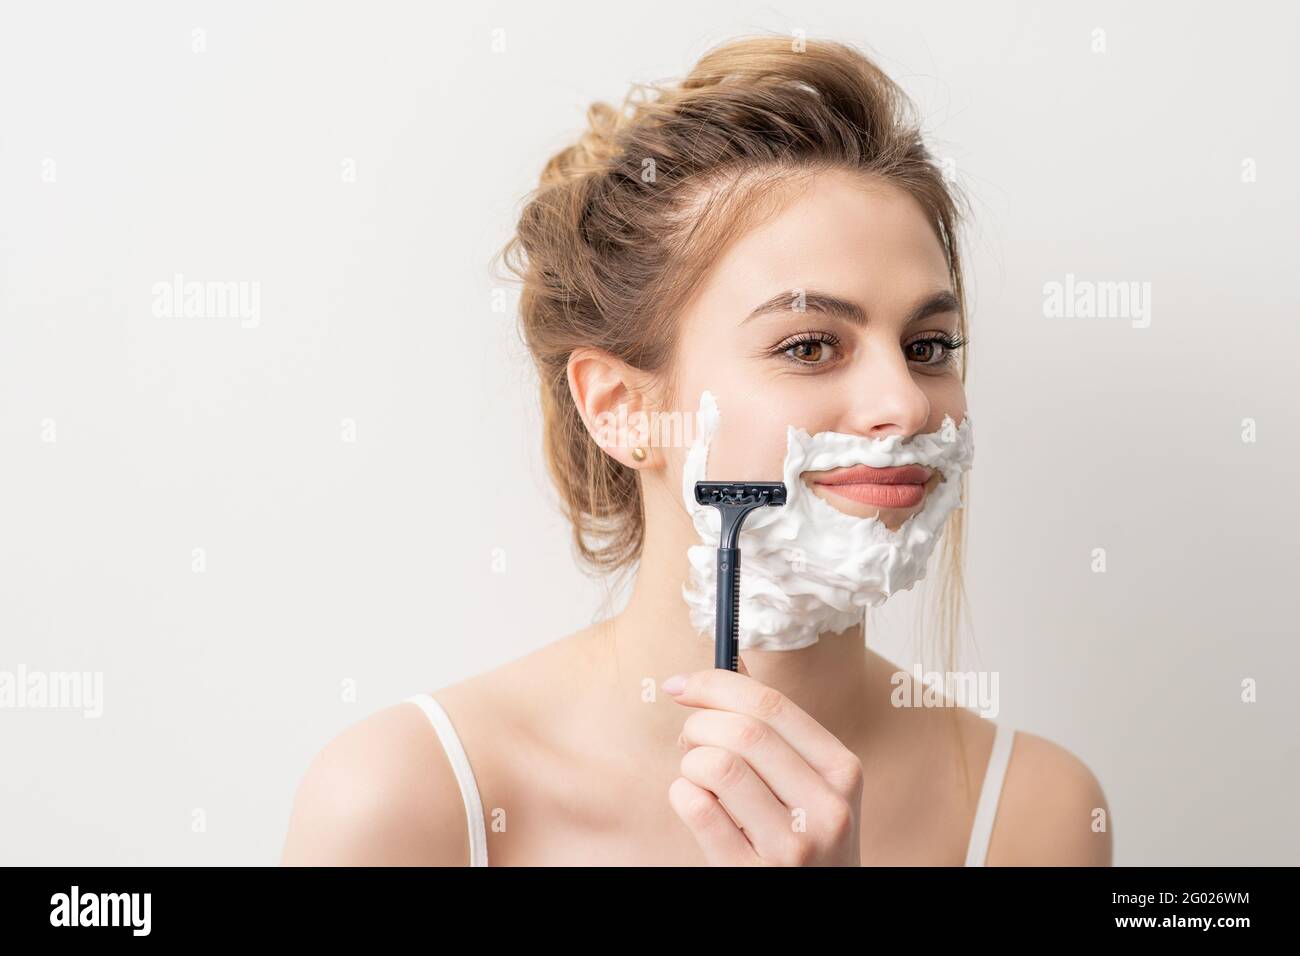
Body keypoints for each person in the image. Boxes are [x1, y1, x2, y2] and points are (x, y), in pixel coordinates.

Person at [281, 34, 1112, 866]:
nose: (905, 403)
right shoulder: (403, 801)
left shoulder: (1032, 815)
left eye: (928, 346)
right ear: (622, 410)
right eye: (810, 345)